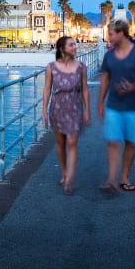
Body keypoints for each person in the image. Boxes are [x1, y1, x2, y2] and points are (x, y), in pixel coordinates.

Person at [98, 20, 135, 192]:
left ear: (121, 33)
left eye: (111, 34)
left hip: (134, 107)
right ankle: (112, 179)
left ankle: (124, 177)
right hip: (113, 106)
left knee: (130, 142)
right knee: (113, 141)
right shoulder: (109, 56)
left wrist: (134, 86)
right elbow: (105, 79)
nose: (109, 38)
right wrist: (100, 102)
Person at [42, 36, 90, 195]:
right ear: (62, 49)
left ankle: (69, 177)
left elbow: (84, 89)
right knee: (60, 142)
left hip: (75, 107)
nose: (75, 47)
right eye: (71, 45)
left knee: (71, 142)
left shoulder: (82, 67)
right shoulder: (51, 67)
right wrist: (44, 111)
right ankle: (64, 172)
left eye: (75, 44)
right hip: (57, 107)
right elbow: (47, 89)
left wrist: (87, 110)